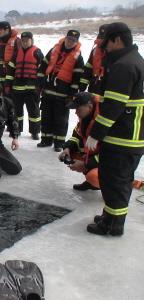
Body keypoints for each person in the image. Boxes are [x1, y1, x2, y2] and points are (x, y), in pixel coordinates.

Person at [85, 22, 144, 236]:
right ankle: (110, 216)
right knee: (114, 180)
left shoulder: (124, 66)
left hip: (123, 137)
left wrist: (96, 133)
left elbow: (113, 106)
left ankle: (113, 225)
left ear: (117, 40)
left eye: (106, 42)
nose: (104, 48)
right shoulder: (134, 61)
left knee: (115, 182)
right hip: (131, 136)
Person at [37, 30, 85, 151]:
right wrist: (40, 80)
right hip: (48, 91)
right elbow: (43, 65)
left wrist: (72, 95)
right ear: (65, 38)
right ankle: (46, 140)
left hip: (63, 94)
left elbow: (77, 78)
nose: (70, 42)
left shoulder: (78, 57)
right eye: (69, 39)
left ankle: (59, 143)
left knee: (61, 119)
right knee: (46, 117)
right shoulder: (54, 50)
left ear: (77, 42)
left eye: (73, 41)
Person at [59, 92, 100, 191]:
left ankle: (111, 188)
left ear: (89, 107)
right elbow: (76, 137)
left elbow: (110, 154)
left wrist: (85, 164)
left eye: (78, 109)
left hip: (112, 161)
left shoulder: (102, 123)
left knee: (93, 176)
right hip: (97, 156)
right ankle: (91, 182)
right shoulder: (85, 118)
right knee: (72, 154)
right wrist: (68, 148)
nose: (76, 112)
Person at [9, 31, 44, 140]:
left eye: (27, 40)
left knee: (34, 112)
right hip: (17, 89)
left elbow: (42, 71)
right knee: (17, 112)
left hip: (32, 89)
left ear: (31, 40)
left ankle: (35, 132)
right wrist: (8, 85)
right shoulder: (16, 54)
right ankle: (17, 130)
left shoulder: (37, 53)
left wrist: (40, 87)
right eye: (23, 41)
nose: (24, 43)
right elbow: (10, 70)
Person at [0, 21, 20, 95]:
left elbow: (19, 60)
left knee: (10, 102)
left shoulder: (16, 41)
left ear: (7, 30)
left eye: (0, 30)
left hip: (10, 78)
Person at [79, 24, 108, 96]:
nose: (101, 41)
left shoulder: (116, 52)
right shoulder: (95, 51)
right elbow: (88, 69)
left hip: (107, 91)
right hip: (93, 89)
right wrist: (82, 87)